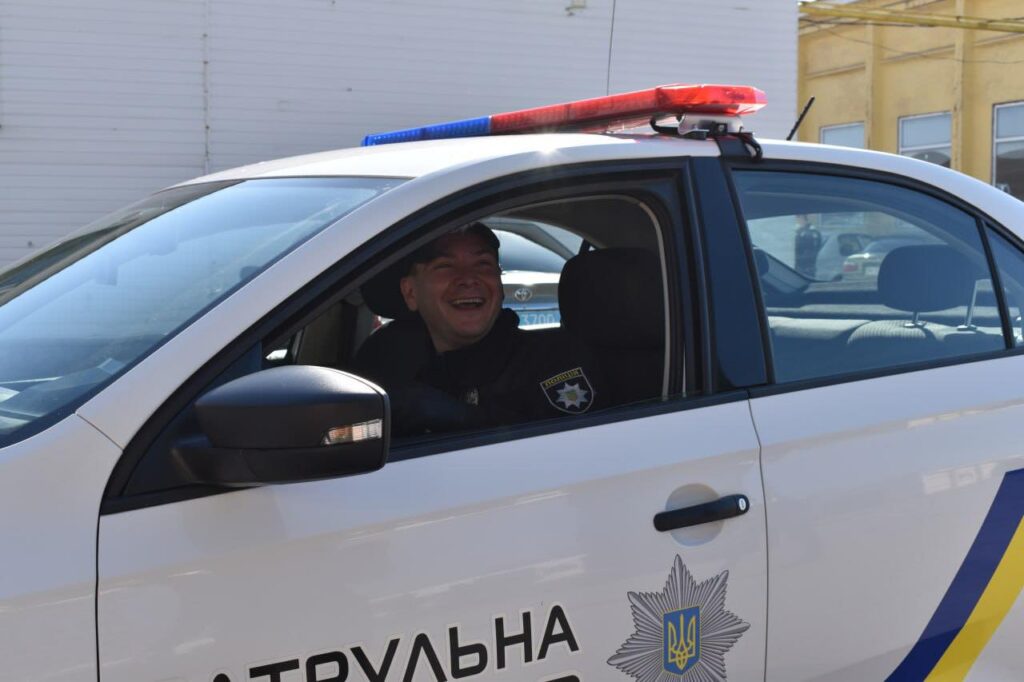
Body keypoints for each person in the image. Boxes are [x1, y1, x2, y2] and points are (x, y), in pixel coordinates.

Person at [353, 223, 606, 435]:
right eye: (445, 266)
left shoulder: (553, 360)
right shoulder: (385, 359)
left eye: (483, 264)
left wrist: (461, 418)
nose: (468, 278)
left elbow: (571, 454)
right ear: (410, 292)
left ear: (500, 285)